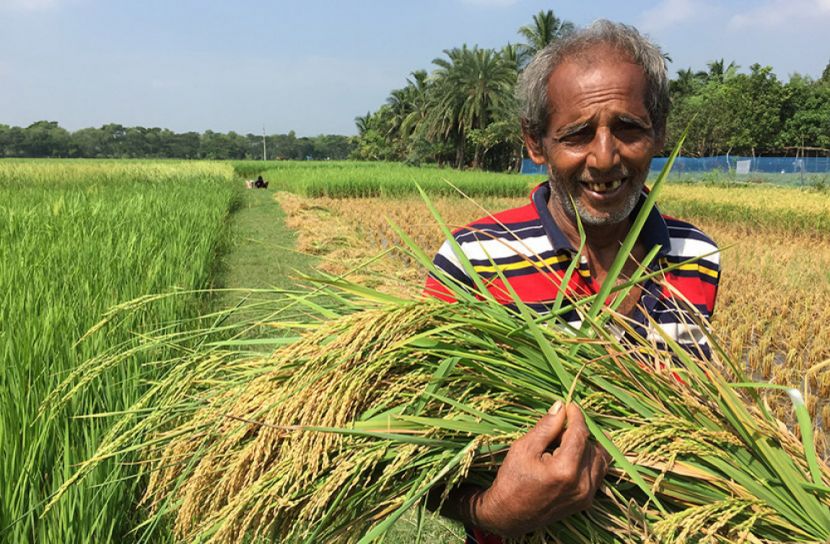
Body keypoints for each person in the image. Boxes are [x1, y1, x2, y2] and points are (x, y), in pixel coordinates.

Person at [424, 20, 720, 542]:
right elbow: (416, 454)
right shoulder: (472, 260)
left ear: (659, 131)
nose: (604, 158)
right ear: (535, 142)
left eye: (628, 128)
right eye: (577, 134)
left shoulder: (695, 255)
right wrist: (494, 512)